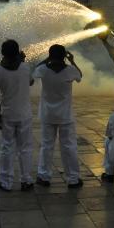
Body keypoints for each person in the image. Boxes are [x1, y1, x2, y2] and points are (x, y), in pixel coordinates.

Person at [33, 45, 83, 188]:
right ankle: (73, 178)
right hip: (65, 116)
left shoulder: (43, 70)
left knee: (46, 146)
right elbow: (80, 76)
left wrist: (46, 59)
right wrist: (72, 61)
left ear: (50, 56)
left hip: (47, 115)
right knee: (69, 147)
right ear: (64, 56)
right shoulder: (70, 71)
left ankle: (44, 176)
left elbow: (34, 71)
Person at [0, 40, 34, 192]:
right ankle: (26, 180)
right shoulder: (25, 67)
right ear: (17, 52)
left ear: (2, 53)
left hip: (8, 114)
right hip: (25, 114)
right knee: (25, 148)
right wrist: (22, 61)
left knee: (7, 148)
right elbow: (31, 82)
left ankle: (6, 182)